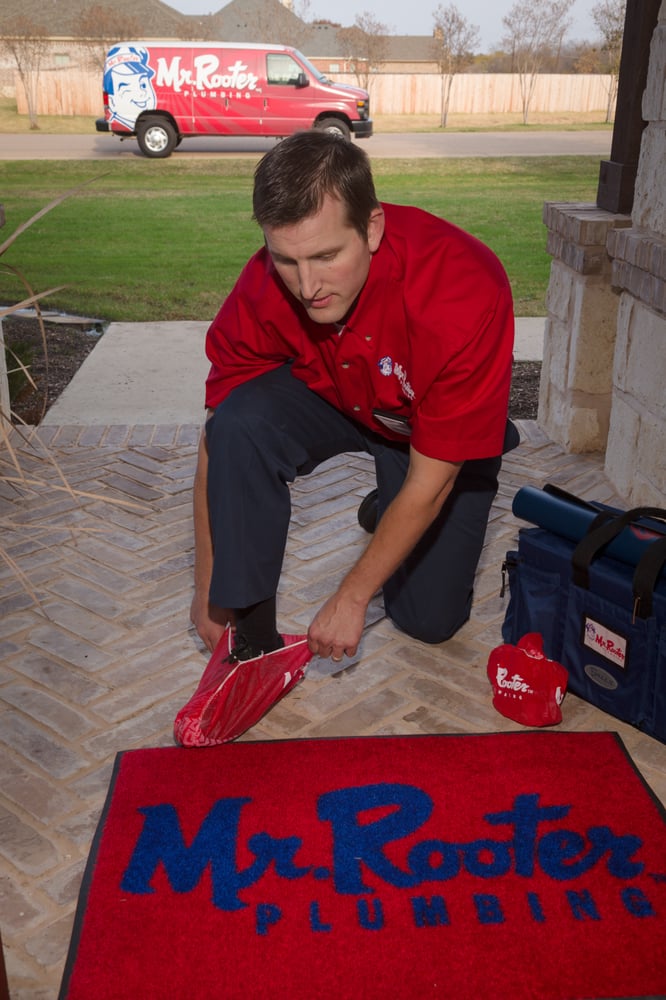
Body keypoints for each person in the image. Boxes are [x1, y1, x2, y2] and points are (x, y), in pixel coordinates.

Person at [190, 129, 517, 664]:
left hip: (426, 434)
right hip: (339, 394)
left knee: (429, 621)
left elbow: (433, 483)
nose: (307, 286)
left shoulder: (464, 291)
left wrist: (352, 596)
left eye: (326, 256)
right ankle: (253, 639)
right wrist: (209, 586)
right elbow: (216, 439)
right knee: (237, 422)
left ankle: (394, 500)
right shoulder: (265, 282)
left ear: (371, 227)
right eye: (286, 259)